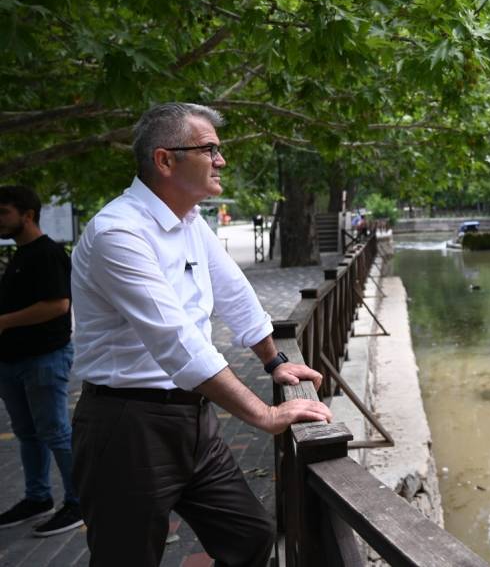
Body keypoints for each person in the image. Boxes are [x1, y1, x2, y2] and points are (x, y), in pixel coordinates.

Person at [70, 103, 332, 566]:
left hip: (194, 420)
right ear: (165, 160)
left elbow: (235, 292)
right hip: (127, 426)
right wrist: (265, 414)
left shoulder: (191, 222)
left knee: (251, 536)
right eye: (209, 149)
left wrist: (274, 361)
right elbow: (178, 343)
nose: (221, 160)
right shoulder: (118, 232)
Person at [0, 185, 83, 537]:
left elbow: (59, 305)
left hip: (44, 358)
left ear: (27, 214)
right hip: (12, 360)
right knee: (27, 433)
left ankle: (78, 501)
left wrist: (3, 322)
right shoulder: (18, 255)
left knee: (55, 431)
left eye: (3, 212)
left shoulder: (48, 253)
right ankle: (38, 497)